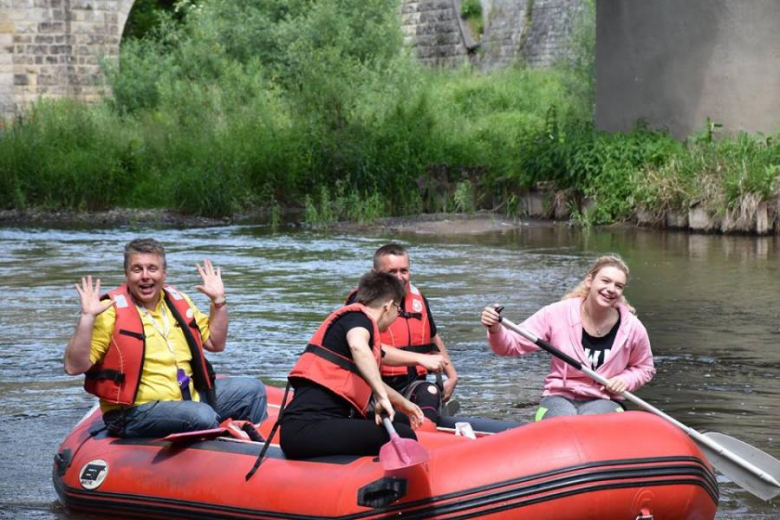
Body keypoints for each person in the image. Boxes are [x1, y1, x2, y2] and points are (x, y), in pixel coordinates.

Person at [63, 238, 267, 438]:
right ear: (127, 274)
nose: (145, 276)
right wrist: (87, 317)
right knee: (202, 415)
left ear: (164, 273)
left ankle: (256, 454)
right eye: (137, 269)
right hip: (134, 412)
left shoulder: (178, 301)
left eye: (152, 268)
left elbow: (215, 343)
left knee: (253, 390)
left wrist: (219, 302)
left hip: (186, 399)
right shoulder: (109, 312)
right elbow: (74, 367)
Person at [480, 254, 655, 421]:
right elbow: (510, 346)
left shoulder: (632, 327)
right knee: (565, 421)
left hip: (605, 399)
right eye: (605, 281)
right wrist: (495, 329)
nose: (611, 289)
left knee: (588, 422)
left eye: (618, 286)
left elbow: (645, 368)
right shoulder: (556, 313)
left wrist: (624, 380)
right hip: (559, 396)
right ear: (590, 281)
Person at [280, 271, 424, 459]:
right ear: (389, 306)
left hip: (326, 421)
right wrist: (381, 397)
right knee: (405, 435)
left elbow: (369, 380)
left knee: (401, 419)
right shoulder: (357, 320)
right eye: (399, 309)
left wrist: (404, 404)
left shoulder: (357, 321)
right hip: (305, 429)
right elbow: (357, 345)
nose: (398, 315)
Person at [347, 244, 457, 423]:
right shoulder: (361, 302)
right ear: (375, 273)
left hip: (412, 383)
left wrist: (452, 376)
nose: (399, 277)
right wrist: (418, 358)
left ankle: (427, 435)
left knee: (430, 391)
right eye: (392, 272)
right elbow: (360, 347)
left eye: (404, 271)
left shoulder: (418, 300)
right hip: (374, 385)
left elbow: (432, 338)